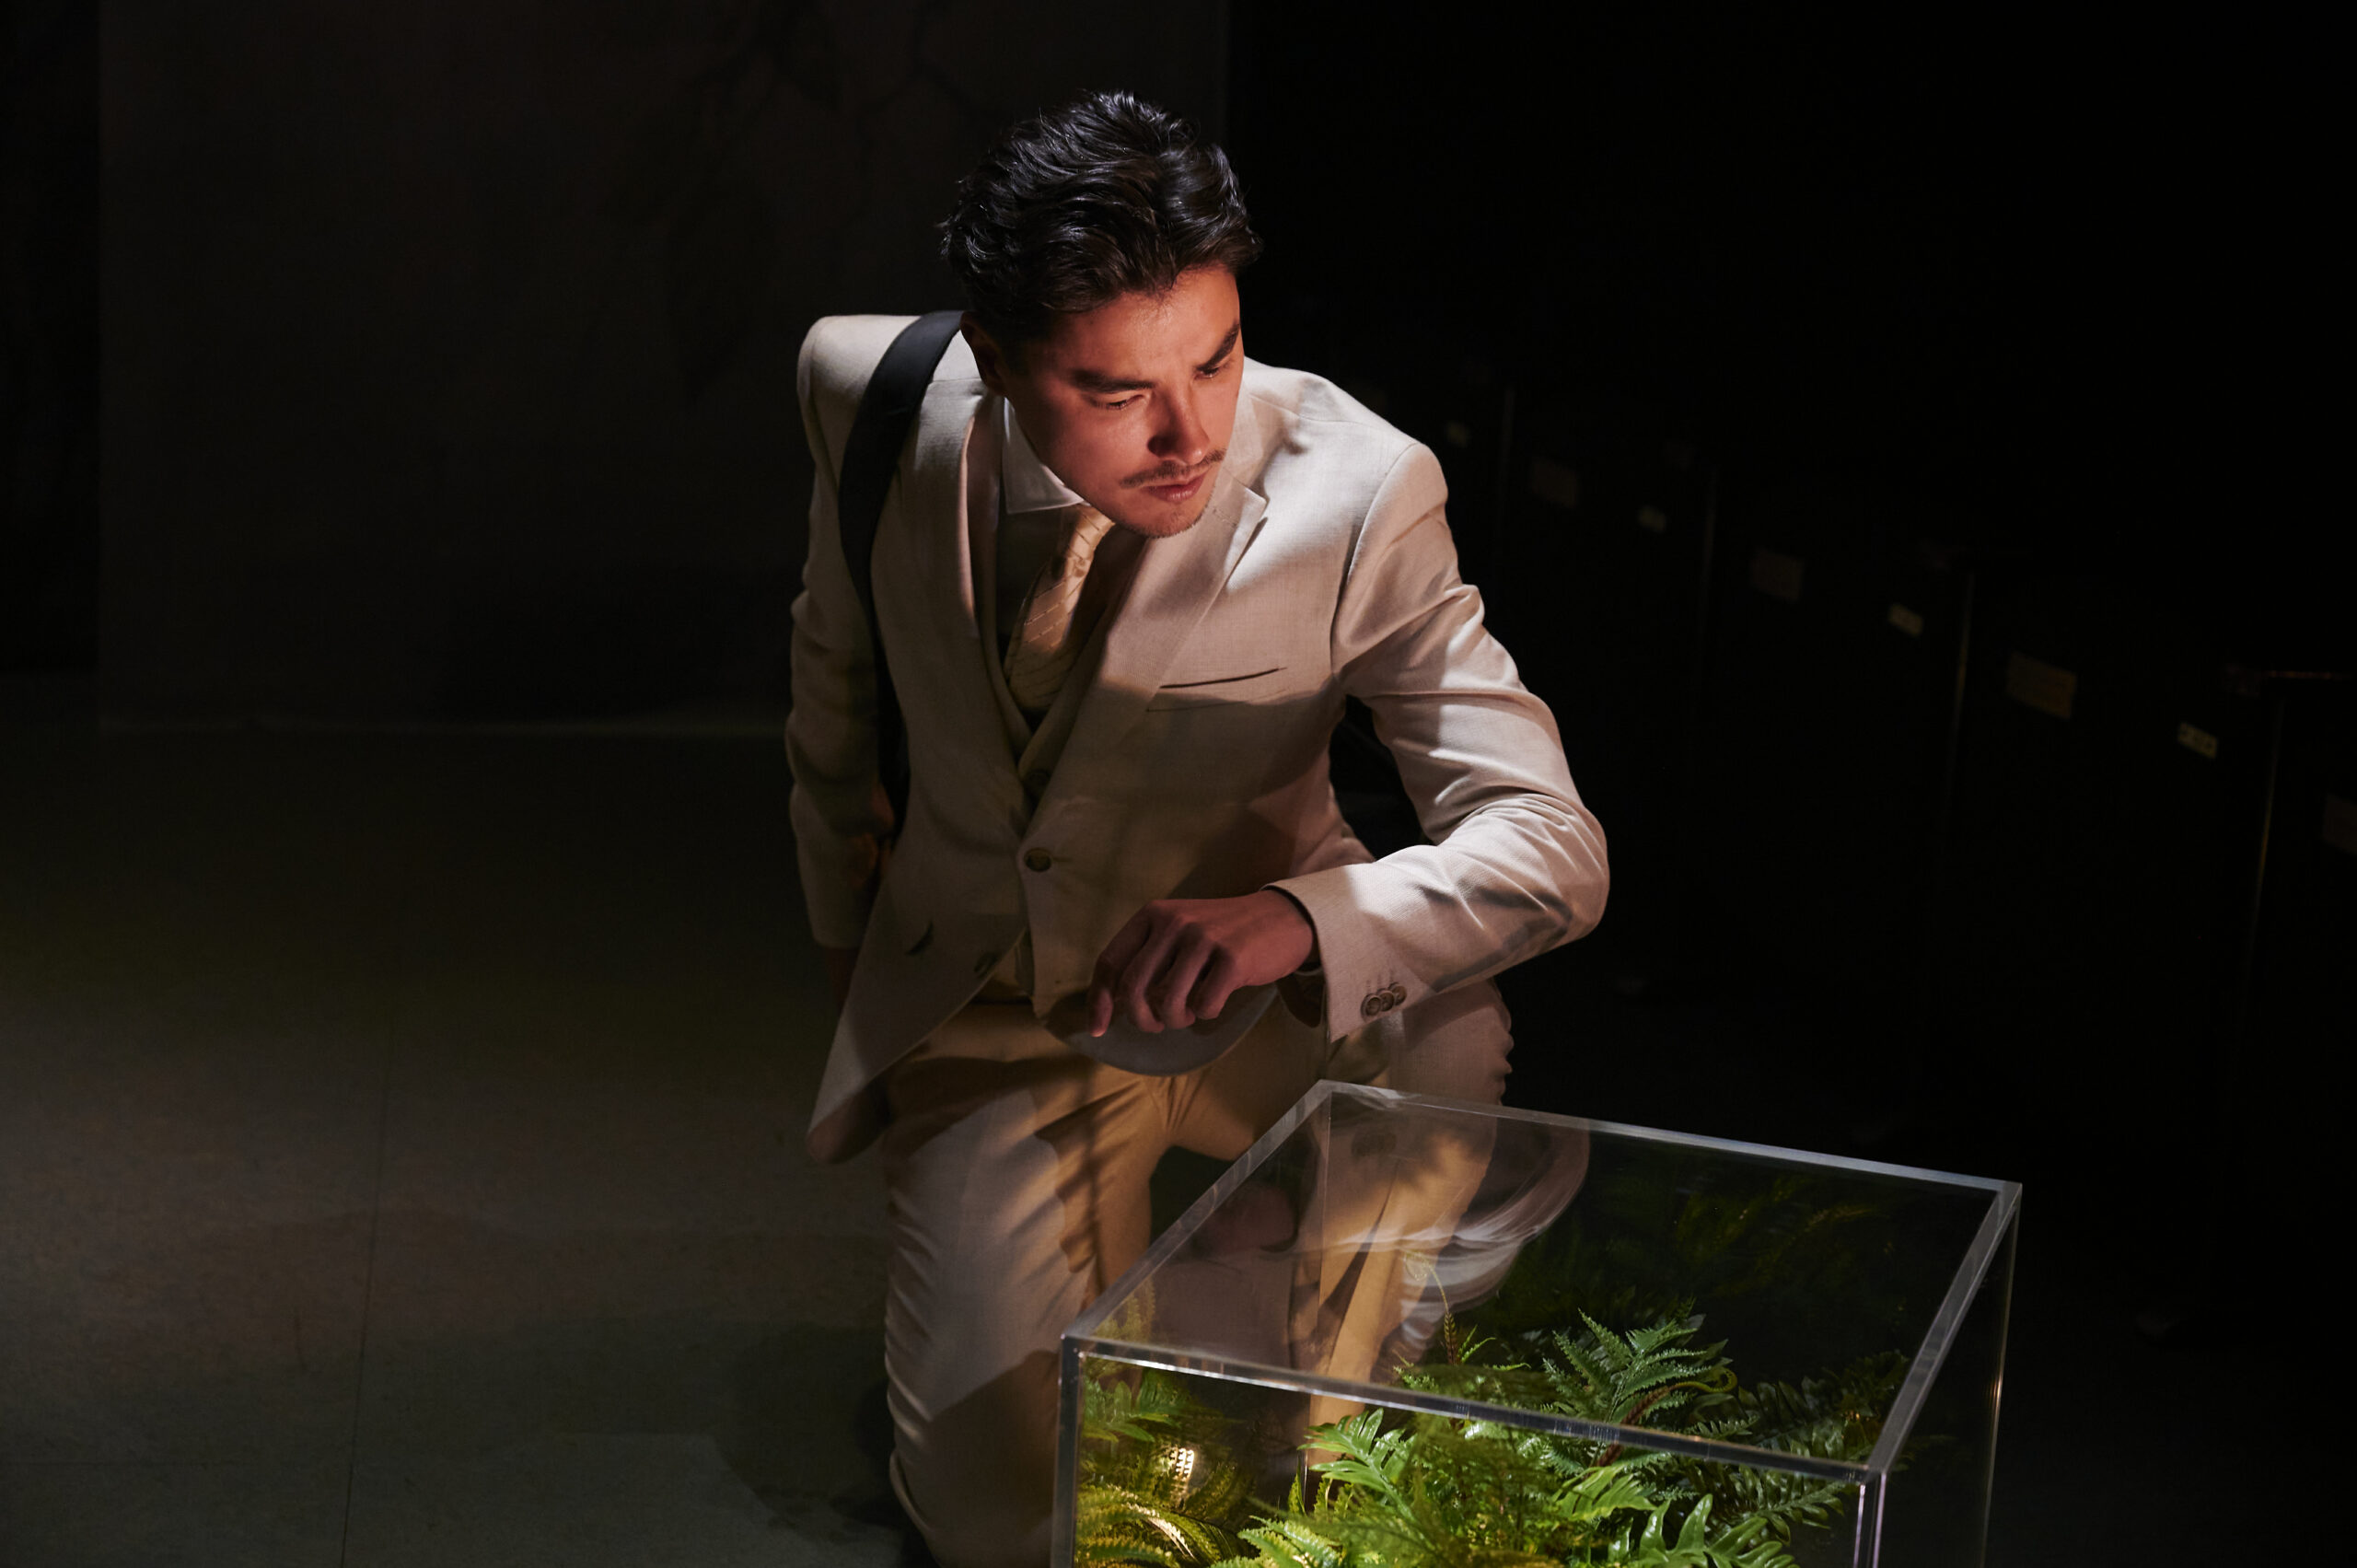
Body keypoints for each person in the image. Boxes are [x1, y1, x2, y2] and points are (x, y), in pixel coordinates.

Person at [786, 89, 1608, 1568]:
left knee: (1447, 1030)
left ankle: (1331, 1410)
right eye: (1114, 392)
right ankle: (1183, 1298)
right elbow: (831, 676)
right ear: (997, 361)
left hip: (1256, 1012)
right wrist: (847, 931)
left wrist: (1303, 921)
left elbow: (1553, 842)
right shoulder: (871, 394)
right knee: (995, 1525)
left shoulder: (1361, 489)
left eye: (1218, 358)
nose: (1188, 432)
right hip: (1003, 1014)